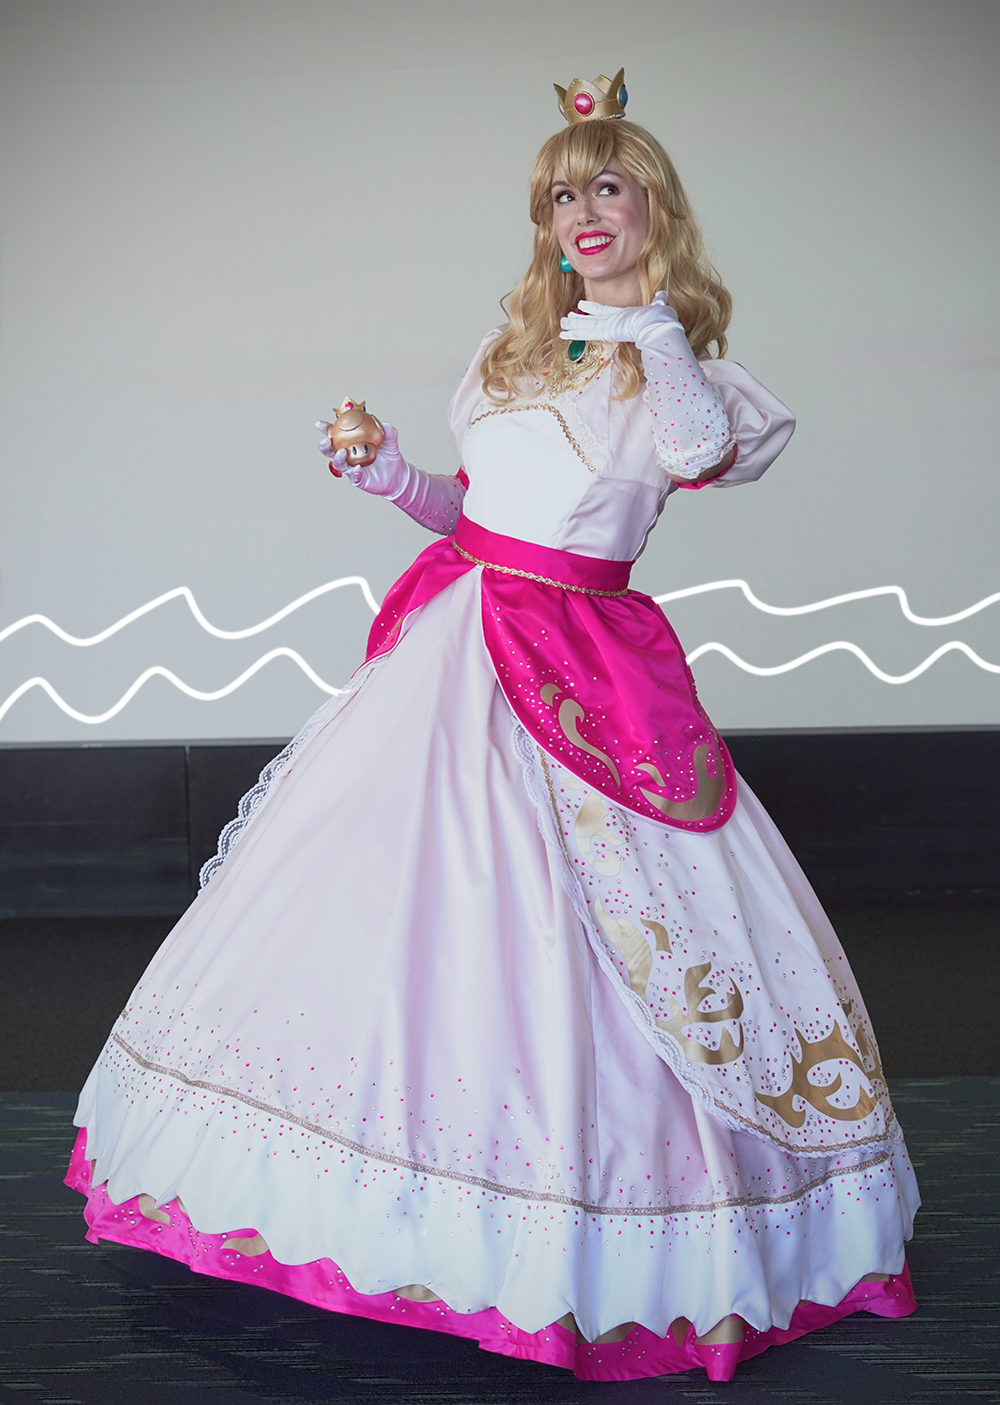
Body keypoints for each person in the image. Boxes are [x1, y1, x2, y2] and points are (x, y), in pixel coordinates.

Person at [66, 72, 919, 1384]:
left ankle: (595, 1230)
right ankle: (366, 1214)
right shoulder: (510, 348)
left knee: (606, 928)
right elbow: (469, 515)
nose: (583, 210)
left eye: (608, 186)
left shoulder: (704, 379)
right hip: (457, 650)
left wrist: (661, 337)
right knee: (394, 909)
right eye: (562, 193)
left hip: (589, 677)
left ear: (655, 208)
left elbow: (693, 457)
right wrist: (384, 471)